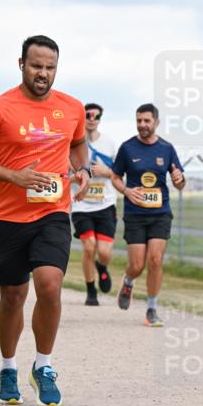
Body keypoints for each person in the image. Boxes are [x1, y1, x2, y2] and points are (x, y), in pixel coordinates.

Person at [0, 34, 90, 406]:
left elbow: (77, 144)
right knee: (13, 296)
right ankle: (7, 367)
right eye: (36, 66)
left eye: (50, 68)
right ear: (21, 65)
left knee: (49, 286)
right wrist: (12, 176)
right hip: (8, 215)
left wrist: (81, 170)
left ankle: (44, 366)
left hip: (53, 212)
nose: (43, 74)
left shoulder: (72, 107)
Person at [111, 103, 186, 327]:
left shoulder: (166, 148)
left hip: (160, 213)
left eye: (146, 121)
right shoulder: (127, 148)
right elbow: (115, 177)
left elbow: (180, 181)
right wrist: (125, 190)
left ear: (156, 123)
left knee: (155, 259)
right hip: (135, 214)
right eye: (139, 121)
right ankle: (128, 281)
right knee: (137, 265)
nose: (142, 125)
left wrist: (178, 180)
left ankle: (152, 308)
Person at [70, 103, 119, 306]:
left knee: (104, 252)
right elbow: (66, 175)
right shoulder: (73, 143)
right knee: (89, 248)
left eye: (96, 115)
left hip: (106, 203)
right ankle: (91, 291)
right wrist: (83, 175)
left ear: (100, 119)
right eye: (87, 115)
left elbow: (117, 174)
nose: (91, 118)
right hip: (82, 205)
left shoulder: (109, 144)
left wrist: (104, 172)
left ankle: (102, 267)